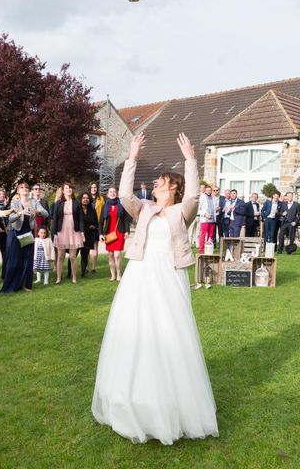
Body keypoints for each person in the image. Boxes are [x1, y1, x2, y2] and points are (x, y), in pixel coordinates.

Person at [92, 132, 218, 445]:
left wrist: (191, 161)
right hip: (139, 279)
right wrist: (131, 158)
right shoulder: (144, 208)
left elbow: (193, 197)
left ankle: (171, 402)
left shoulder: (181, 211)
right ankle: (132, 398)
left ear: (173, 187)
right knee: (137, 331)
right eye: (159, 181)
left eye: (163, 180)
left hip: (168, 279)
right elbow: (124, 197)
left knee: (168, 333)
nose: (159, 183)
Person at [1, 181, 48, 293]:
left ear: (29, 190)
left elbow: (46, 213)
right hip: (15, 233)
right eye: (22, 187)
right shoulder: (14, 202)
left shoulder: (34, 202)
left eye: (26, 187)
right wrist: (20, 213)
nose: (24, 189)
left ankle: (25, 285)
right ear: (18, 191)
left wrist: (37, 211)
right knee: (14, 261)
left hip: (28, 232)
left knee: (27, 260)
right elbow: (10, 219)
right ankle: (10, 286)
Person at [51, 182, 84, 284]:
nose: (68, 189)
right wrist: (54, 233)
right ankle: (58, 278)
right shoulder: (58, 203)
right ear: (63, 190)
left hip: (74, 231)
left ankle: (74, 278)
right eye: (66, 188)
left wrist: (82, 232)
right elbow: (55, 219)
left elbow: (81, 219)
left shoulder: (77, 202)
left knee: (72, 257)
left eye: (70, 188)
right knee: (60, 257)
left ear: (72, 190)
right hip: (61, 231)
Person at [100, 187, 129, 281]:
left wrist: (126, 231)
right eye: (110, 192)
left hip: (119, 232)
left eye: (114, 192)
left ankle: (119, 275)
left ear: (117, 193)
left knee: (117, 255)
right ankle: (113, 275)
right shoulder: (105, 205)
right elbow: (100, 221)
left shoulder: (121, 204)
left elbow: (126, 219)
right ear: (108, 194)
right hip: (109, 232)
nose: (112, 193)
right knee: (111, 255)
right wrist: (100, 233)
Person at [79, 192, 99, 277]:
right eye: (83, 198)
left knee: (85, 254)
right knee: (74, 254)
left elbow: (96, 222)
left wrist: (93, 226)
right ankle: (70, 273)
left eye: (87, 198)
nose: (85, 199)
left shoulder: (92, 209)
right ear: (80, 199)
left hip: (88, 234)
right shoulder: (77, 209)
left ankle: (83, 273)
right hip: (78, 234)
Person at [197, 185, 215, 252]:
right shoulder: (202, 197)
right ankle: (201, 250)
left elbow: (213, 208)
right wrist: (205, 214)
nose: (209, 191)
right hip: (205, 220)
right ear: (205, 190)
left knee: (210, 236)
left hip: (212, 219)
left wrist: (216, 209)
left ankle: (209, 249)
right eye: (207, 190)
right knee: (203, 235)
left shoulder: (213, 198)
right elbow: (197, 209)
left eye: (210, 190)